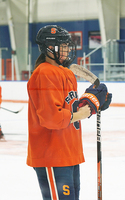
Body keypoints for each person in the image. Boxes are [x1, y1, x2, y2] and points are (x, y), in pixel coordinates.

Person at [27, 25, 111, 200]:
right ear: (49, 47)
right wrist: (79, 115)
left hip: (69, 152)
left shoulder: (66, 72)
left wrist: (92, 101)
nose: (67, 49)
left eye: (67, 45)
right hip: (52, 155)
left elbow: (69, 106)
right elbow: (52, 118)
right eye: (62, 45)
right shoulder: (44, 73)